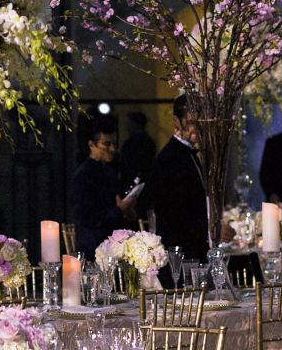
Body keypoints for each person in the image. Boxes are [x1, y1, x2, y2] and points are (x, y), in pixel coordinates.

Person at [140, 96, 208, 262]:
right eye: (192, 122)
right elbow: (175, 213)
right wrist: (211, 229)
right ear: (176, 121)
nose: (198, 128)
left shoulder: (185, 153)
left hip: (193, 247)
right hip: (182, 252)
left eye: (202, 122)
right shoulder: (170, 158)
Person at [71, 115, 135, 259]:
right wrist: (119, 210)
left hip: (113, 243)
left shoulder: (112, 169)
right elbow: (88, 217)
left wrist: (127, 210)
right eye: (106, 144)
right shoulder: (83, 175)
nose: (112, 149)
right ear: (91, 144)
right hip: (93, 246)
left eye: (114, 143)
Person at [117, 111, 156, 191]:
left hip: (135, 181)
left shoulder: (132, 143)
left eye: (129, 123)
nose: (126, 127)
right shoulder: (148, 142)